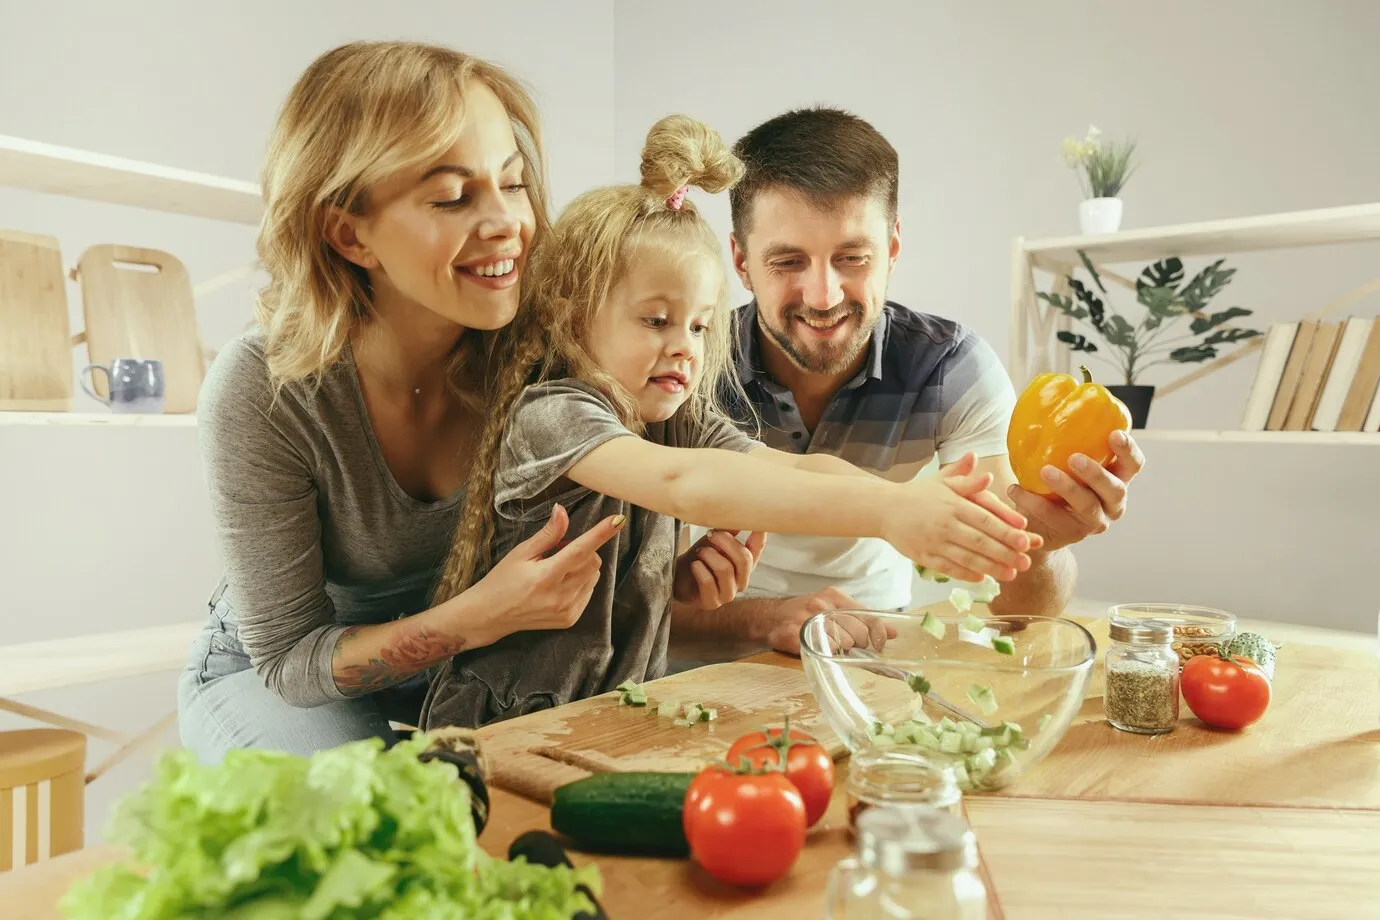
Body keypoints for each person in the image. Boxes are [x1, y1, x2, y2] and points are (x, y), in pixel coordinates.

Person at [418, 114, 1043, 730]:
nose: (687, 346)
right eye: (656, 321)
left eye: (699, 324)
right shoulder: (553, 413)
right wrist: (892, 513)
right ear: (572, 313)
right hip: (498, 720)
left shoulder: (676, 415)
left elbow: (794, 470)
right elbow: (682, 482)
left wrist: (911, 501)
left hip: (608, 709)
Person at [175, 40, 627, 761]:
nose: (508, 222)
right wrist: (478, 619)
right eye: (452, 197)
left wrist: (745, 609)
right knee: (376, 827)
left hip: (455, 673)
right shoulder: (265, 388)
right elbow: (290, 661)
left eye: (512, 184)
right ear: (349, 234)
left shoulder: (536, 356)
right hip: (276, 681)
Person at [673, 106, 1146, 657]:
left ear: (892, 249)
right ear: (741, 261)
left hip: (876, 650)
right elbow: (629, 610)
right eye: (788, 262)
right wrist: (765, 621)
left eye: (852, 257)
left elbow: (1021, 609)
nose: (823, 296)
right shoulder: (689, 367)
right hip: (704, 674)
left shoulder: (951, 367)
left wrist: (1041, 545)